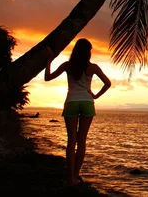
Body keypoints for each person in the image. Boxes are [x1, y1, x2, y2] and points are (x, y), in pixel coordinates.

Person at [44, 38, 112, 185]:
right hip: (87, 102)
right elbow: (108, 83)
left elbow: (47, 78)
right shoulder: (93, 67)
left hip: (71, 102)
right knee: (82, 142)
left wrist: (48, 60)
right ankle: (75, 176)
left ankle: (70, 178)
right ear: (88, 52)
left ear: (75, 50)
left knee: (71, 141)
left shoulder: (68, 65)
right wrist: (95, 95)